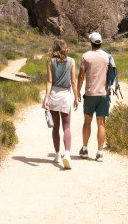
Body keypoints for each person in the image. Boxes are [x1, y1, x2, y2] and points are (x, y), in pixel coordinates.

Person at [43, 39, 78, 169]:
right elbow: (73, 81)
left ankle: (57, 154)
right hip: (65, 95)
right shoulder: (71, 61)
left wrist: (46, 97)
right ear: (65, 48)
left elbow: (49, 81)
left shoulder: (50, 61)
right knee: (66, 127)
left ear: (54, 48)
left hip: (54, 95)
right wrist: (76, 97)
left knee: (55, 127)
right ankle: (67, 154)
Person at [77, 31, 111, 162]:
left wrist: (77, 91)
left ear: (90, 42)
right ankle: (100, 152)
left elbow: (81, 75)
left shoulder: (86, 56)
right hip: (103, 95)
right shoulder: (107, 56)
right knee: (101, 123)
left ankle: (85, 149)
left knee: (87, 122)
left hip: (90, 94)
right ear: (100, 42)